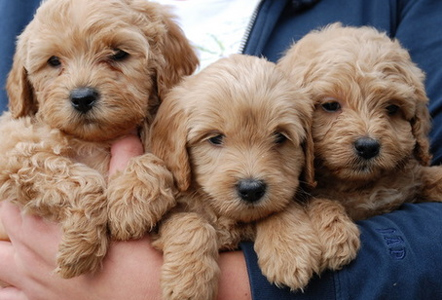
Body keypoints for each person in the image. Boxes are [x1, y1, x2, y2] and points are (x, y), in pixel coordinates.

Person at [1, 0, 442, 299]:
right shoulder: (20, 11)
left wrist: (239, 286)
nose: (80, 85)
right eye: (54, 63)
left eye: (117, 55)